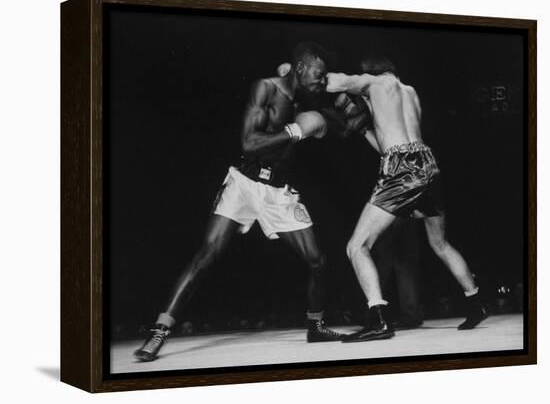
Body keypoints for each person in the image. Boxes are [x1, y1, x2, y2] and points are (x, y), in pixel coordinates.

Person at [133, 42, 343, 362]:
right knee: (206, 256)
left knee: (317, 261)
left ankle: (315, 326)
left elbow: (331, 101)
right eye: (318, 72)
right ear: (300, 68)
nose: (322, 79)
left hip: (278, 192)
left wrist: (326, 109)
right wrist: (297, 130)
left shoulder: (303, 93)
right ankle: (160, 330)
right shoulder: (265, 88)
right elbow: (250, 142)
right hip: (244, 184)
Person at [324, 56, 487, 342]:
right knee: (440, 242)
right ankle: (476, 304)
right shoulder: (410, 93)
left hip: (402, 168)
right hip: (428, 164)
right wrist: (363, 130)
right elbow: (391, 141)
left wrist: (295, 71)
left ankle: (379, 319)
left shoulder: (372, 82)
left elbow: (334, 82)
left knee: (356, 246)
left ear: (370, 72)